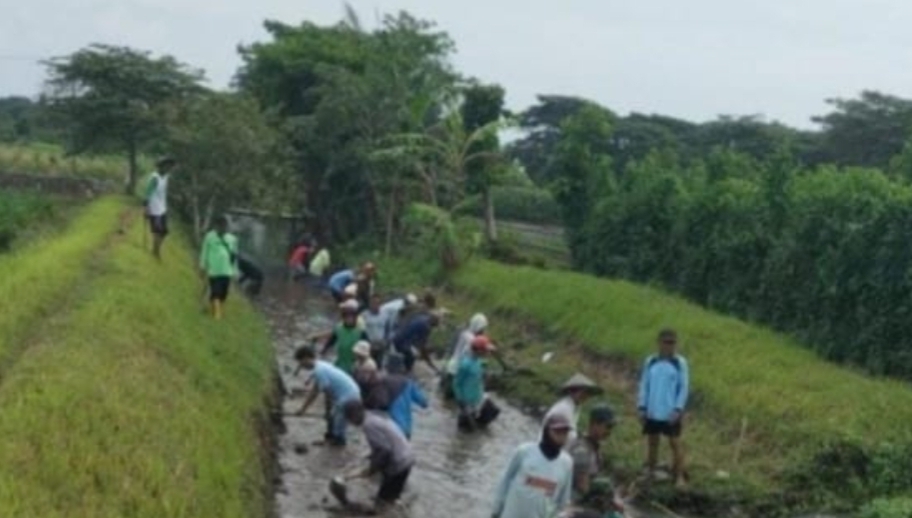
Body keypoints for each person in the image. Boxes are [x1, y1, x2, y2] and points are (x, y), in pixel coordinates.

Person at [492, 414, 575, 518]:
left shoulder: (567, 463)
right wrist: (496, 510)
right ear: (546, 431)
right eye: (557, 431)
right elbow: (505, 481)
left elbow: (563, 499)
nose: (561, 436)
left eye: (565, 432)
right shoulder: (524, 451)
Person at [338, 400, 415, 511]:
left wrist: (371, 469)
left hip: (399, 463)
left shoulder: (368, 425)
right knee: (390, 497)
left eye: (349, 419)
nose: (350, 423)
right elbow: (383, 445)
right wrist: (370, 457)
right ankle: (398, 507)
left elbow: (385, 451)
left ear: (354, 415)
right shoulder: (372, 416)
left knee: (381, 503)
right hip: (407, 457)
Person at [638, 328, 689, 488]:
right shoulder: (651, 361)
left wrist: (678, 409)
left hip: (670, 412)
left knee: (675, 443)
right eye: (667, 342)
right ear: (659, 343)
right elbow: (644, 385)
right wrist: (642, 406)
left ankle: (679, 476)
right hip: (653, 410)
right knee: (653, 442)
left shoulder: (680, 363)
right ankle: (651, 472)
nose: (670, 346)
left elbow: (684, 387)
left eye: (673, 343)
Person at [293, 345, 361, 446]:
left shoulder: (319, 370)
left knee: (339, 419)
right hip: (350, 392)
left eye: (301, 361)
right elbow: (314, 391)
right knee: (335, 417)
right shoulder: (320, 366)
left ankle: (338, 440)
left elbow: (327, 393)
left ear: (307, 358)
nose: (301, 365)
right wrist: (303, 409)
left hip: (348, 396)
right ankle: (331, 438)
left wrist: (328, 410)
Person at [568, 405, 620, 511]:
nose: (609, 431)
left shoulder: (593, 446)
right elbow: (582, 487)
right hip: (573, 503)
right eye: (608, 427)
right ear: (594, 424)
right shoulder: (581, 450)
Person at [453, 335, 499, 431]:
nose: (487, 352)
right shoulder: (465, 365)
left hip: (478, 398)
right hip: (467, 401)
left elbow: (480, 371)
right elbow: (457, 383)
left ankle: (479, 427)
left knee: (493, 411)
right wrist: (461, 402)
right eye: (485, 350)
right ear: (479, 351)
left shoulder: (478, 361)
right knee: (466, 431)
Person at [542, 374, 604, 444]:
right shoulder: (564, 409)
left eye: (588, 393)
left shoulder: (574, 407)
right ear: (572, 391)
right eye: (583, 392)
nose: (586, 396)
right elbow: (569, 438)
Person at [442, 313, 489, 400]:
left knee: (447, 398)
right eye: (482, 329)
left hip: (452, 367)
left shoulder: (465, 333)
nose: (483, 331)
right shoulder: (471, 339)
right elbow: (469, 355)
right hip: (458, 371)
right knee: (455, 398)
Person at [199, 215, 237, 320]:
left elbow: (234, 257)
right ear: (217, 226)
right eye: (222, 226)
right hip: (214, 271)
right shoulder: (209, 237)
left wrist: (234, 271)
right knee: (216, 292)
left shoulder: (232, 239)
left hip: (227, 271)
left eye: (226, 226)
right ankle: (217, 315)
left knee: (223, 294)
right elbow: (204, 252)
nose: (224, 228)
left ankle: (215, 309)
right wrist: (202, 266)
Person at [321, 301, 370, 375]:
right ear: (344, 318)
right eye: (347, 317)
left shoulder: (360, 331)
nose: (349, 320)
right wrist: (324, 350)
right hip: (341, 359)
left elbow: (367, 345)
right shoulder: (339, 328)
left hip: (354, 362)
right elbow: (331, 340)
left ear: (355, 318)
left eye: (351, 317)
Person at [144, 157, 177, 260]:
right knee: (157, 230)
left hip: (162, 208)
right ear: (161, 166)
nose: (169, 169)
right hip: (154, 208)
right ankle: (155, 252)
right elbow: (148, 193)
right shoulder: (155, 178)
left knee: (164, 232)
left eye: (170, 167)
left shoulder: (166, 177)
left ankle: (156, 250)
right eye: (167, 166)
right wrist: (146, 208)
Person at [360, 294, 388, 366]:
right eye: (373, 303)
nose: (375, 305)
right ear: (369, 304)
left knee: (379, 365)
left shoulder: (385, 315)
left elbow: (388, 329)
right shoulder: (364, 315)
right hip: (368, 345)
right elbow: (361, 331)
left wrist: (385, 340)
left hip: (380, 345)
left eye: (377, 303)